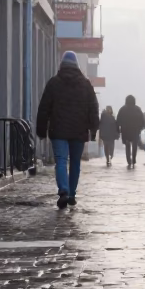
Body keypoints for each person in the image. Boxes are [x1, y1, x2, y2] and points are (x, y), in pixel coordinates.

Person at [36, 51, 99, 209]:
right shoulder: (86, 84)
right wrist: (93, 129)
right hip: (79, 131)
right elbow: (93, 108)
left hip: (59, 131)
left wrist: (41, 129)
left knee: (61, 161)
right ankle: (71, 194)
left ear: (62, 65)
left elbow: (44, 108)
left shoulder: (54, 83)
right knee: (75, 163)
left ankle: (63, 190)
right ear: (77, 65)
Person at [116, 94, 145, 168]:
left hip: (125, 130)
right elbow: (142, 120)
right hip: (135, 130)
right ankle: (133, 158)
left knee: (127, 145)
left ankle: (128, 160)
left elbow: (118, 120)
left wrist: (118, 129)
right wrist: (141, 128)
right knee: (134, 145)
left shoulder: (122, 109)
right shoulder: (137, 109)